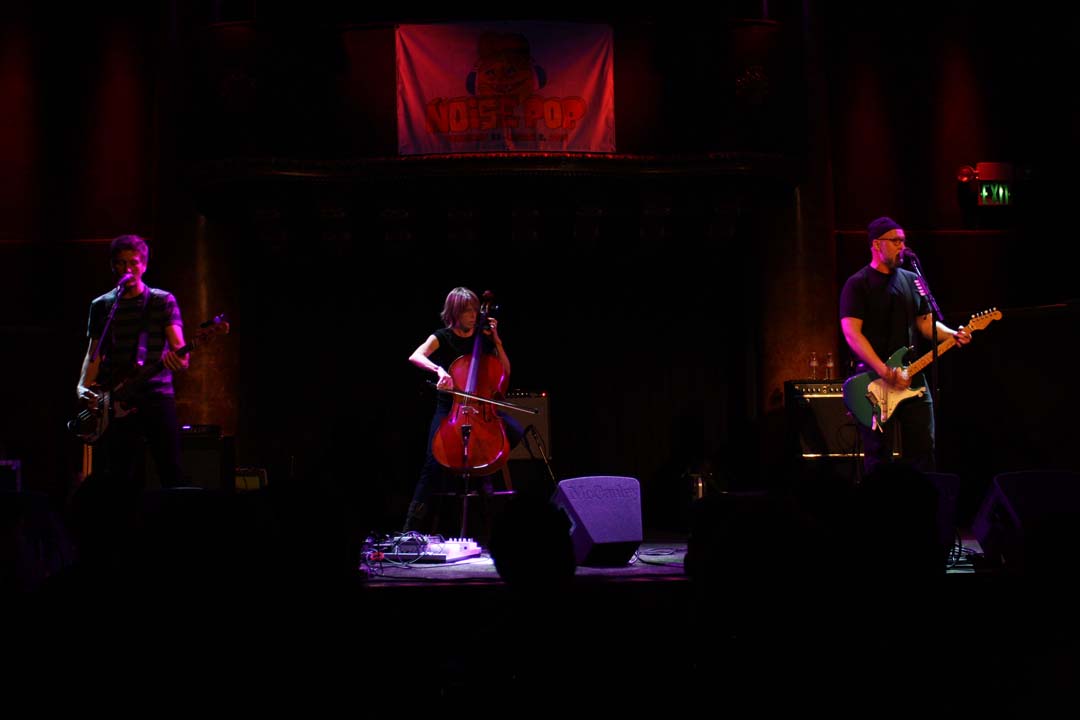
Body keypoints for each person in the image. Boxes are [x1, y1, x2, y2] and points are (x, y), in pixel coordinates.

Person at [839, 217, 971, 473]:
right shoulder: (858, 284)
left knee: (924, 448)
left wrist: (953, 334)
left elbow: (926, 323)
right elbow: (852, 333)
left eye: (903, 241)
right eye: (895, 240)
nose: (902, 246)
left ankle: (923, 505)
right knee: (879, 454)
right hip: (873, 380)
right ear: (877, 244)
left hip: (913, 376)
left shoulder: (912, 280)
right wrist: (884, 370)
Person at [404, 287, 522, 533]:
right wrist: (439, 370)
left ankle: (483, 479)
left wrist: (497, 341)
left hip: (481, 407)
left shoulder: (484, 337)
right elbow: (416, 355)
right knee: (432, 462)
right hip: (450, 408)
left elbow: (506, 372)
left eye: (474, 309)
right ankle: (410, 528)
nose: (472, 315)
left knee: (516, 430)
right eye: (467, 310)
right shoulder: (442, 336)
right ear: (455, 313)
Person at [76, 234, 188, 490]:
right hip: (117, 397)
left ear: (144, 265)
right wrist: (82, 386)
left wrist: (180, 360)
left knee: (170, 467)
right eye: (121, 263)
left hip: (156, 395)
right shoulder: (102, 305)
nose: (128, 269)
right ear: (113, 266)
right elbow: (94, 353)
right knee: (119, 474)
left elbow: (180, 348)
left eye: (134, 263)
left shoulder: (162, 300)